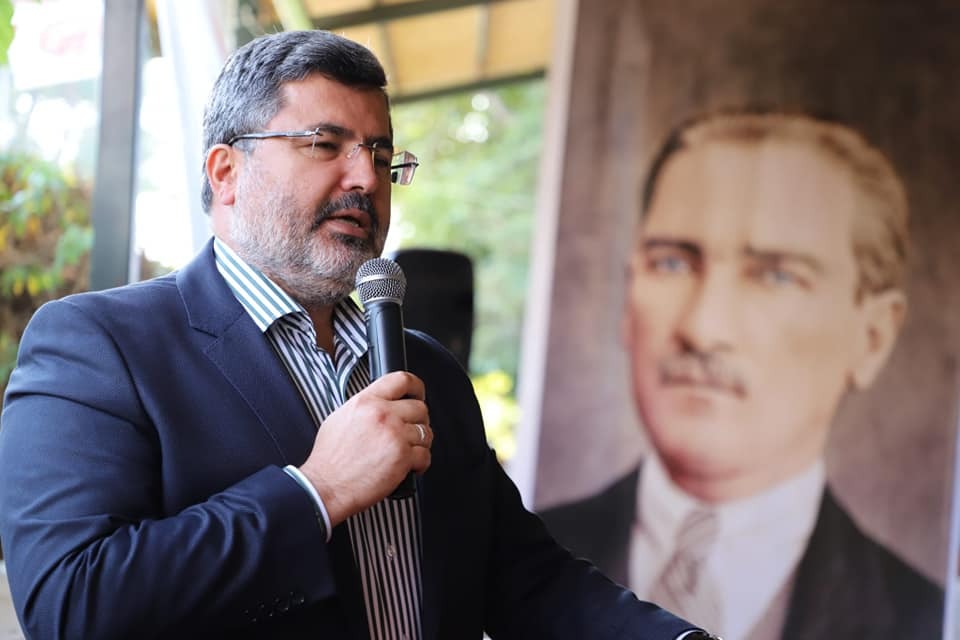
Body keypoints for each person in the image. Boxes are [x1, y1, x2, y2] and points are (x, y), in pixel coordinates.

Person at [0, 30, 715, 640]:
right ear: (227, 172)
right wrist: (318, 491)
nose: (366, 178)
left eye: (381, 153)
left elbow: (526, 578)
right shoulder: (100, 346)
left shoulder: (424, 366)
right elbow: (72, 605)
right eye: (326, 144)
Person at [540, 109, 945, 640]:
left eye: (776, 275)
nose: (703, 328)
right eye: (671, 263)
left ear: (872, 336)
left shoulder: (926, 614)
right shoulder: (519, 556)